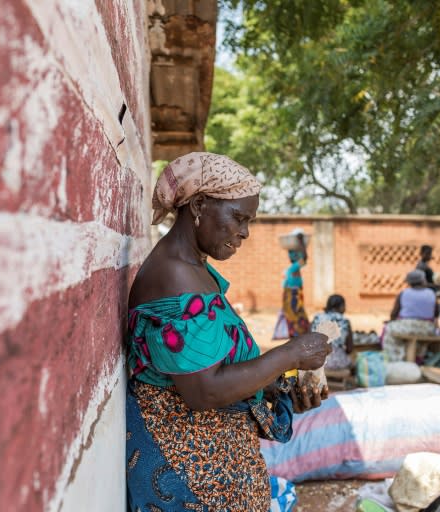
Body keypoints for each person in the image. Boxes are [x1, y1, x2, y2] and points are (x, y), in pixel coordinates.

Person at [126, 152, 331, 511]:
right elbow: (205, 390)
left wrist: (277, 384)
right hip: (186, 468)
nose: (245, 232)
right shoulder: (174, 275)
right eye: (238, 217)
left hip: (214, 463)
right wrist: (290, 354)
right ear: (200, 205)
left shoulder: (195, 270)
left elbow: (213, 362)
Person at [382, 270, 439, 362]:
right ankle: (418, 358)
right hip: (427, 328)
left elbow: (394, 314)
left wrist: (393, 321)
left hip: (406, 327)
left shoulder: (403, 293)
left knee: (388, 329)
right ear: (423, 280)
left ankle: (395, 359)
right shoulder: (431, 293)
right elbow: (436, 313)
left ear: (409, 282)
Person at [274, 232, 310, 338]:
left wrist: (301, 242)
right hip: (292, 298)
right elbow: (304, 258)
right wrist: (301, 242)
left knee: (294, 317)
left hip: (292, 297)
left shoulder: (293, 268)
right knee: (296, 317)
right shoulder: (292, 268)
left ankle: (296, 336)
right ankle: (297, 336)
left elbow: (304, 258)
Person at [311, 294, 354, 370]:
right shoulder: (345, 321)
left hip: (317, 361)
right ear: (340, 306)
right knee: (353, 362)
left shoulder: (317, 318)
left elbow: (308, 339)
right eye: (344, 306)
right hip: (338, 363)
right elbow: (349, 349)